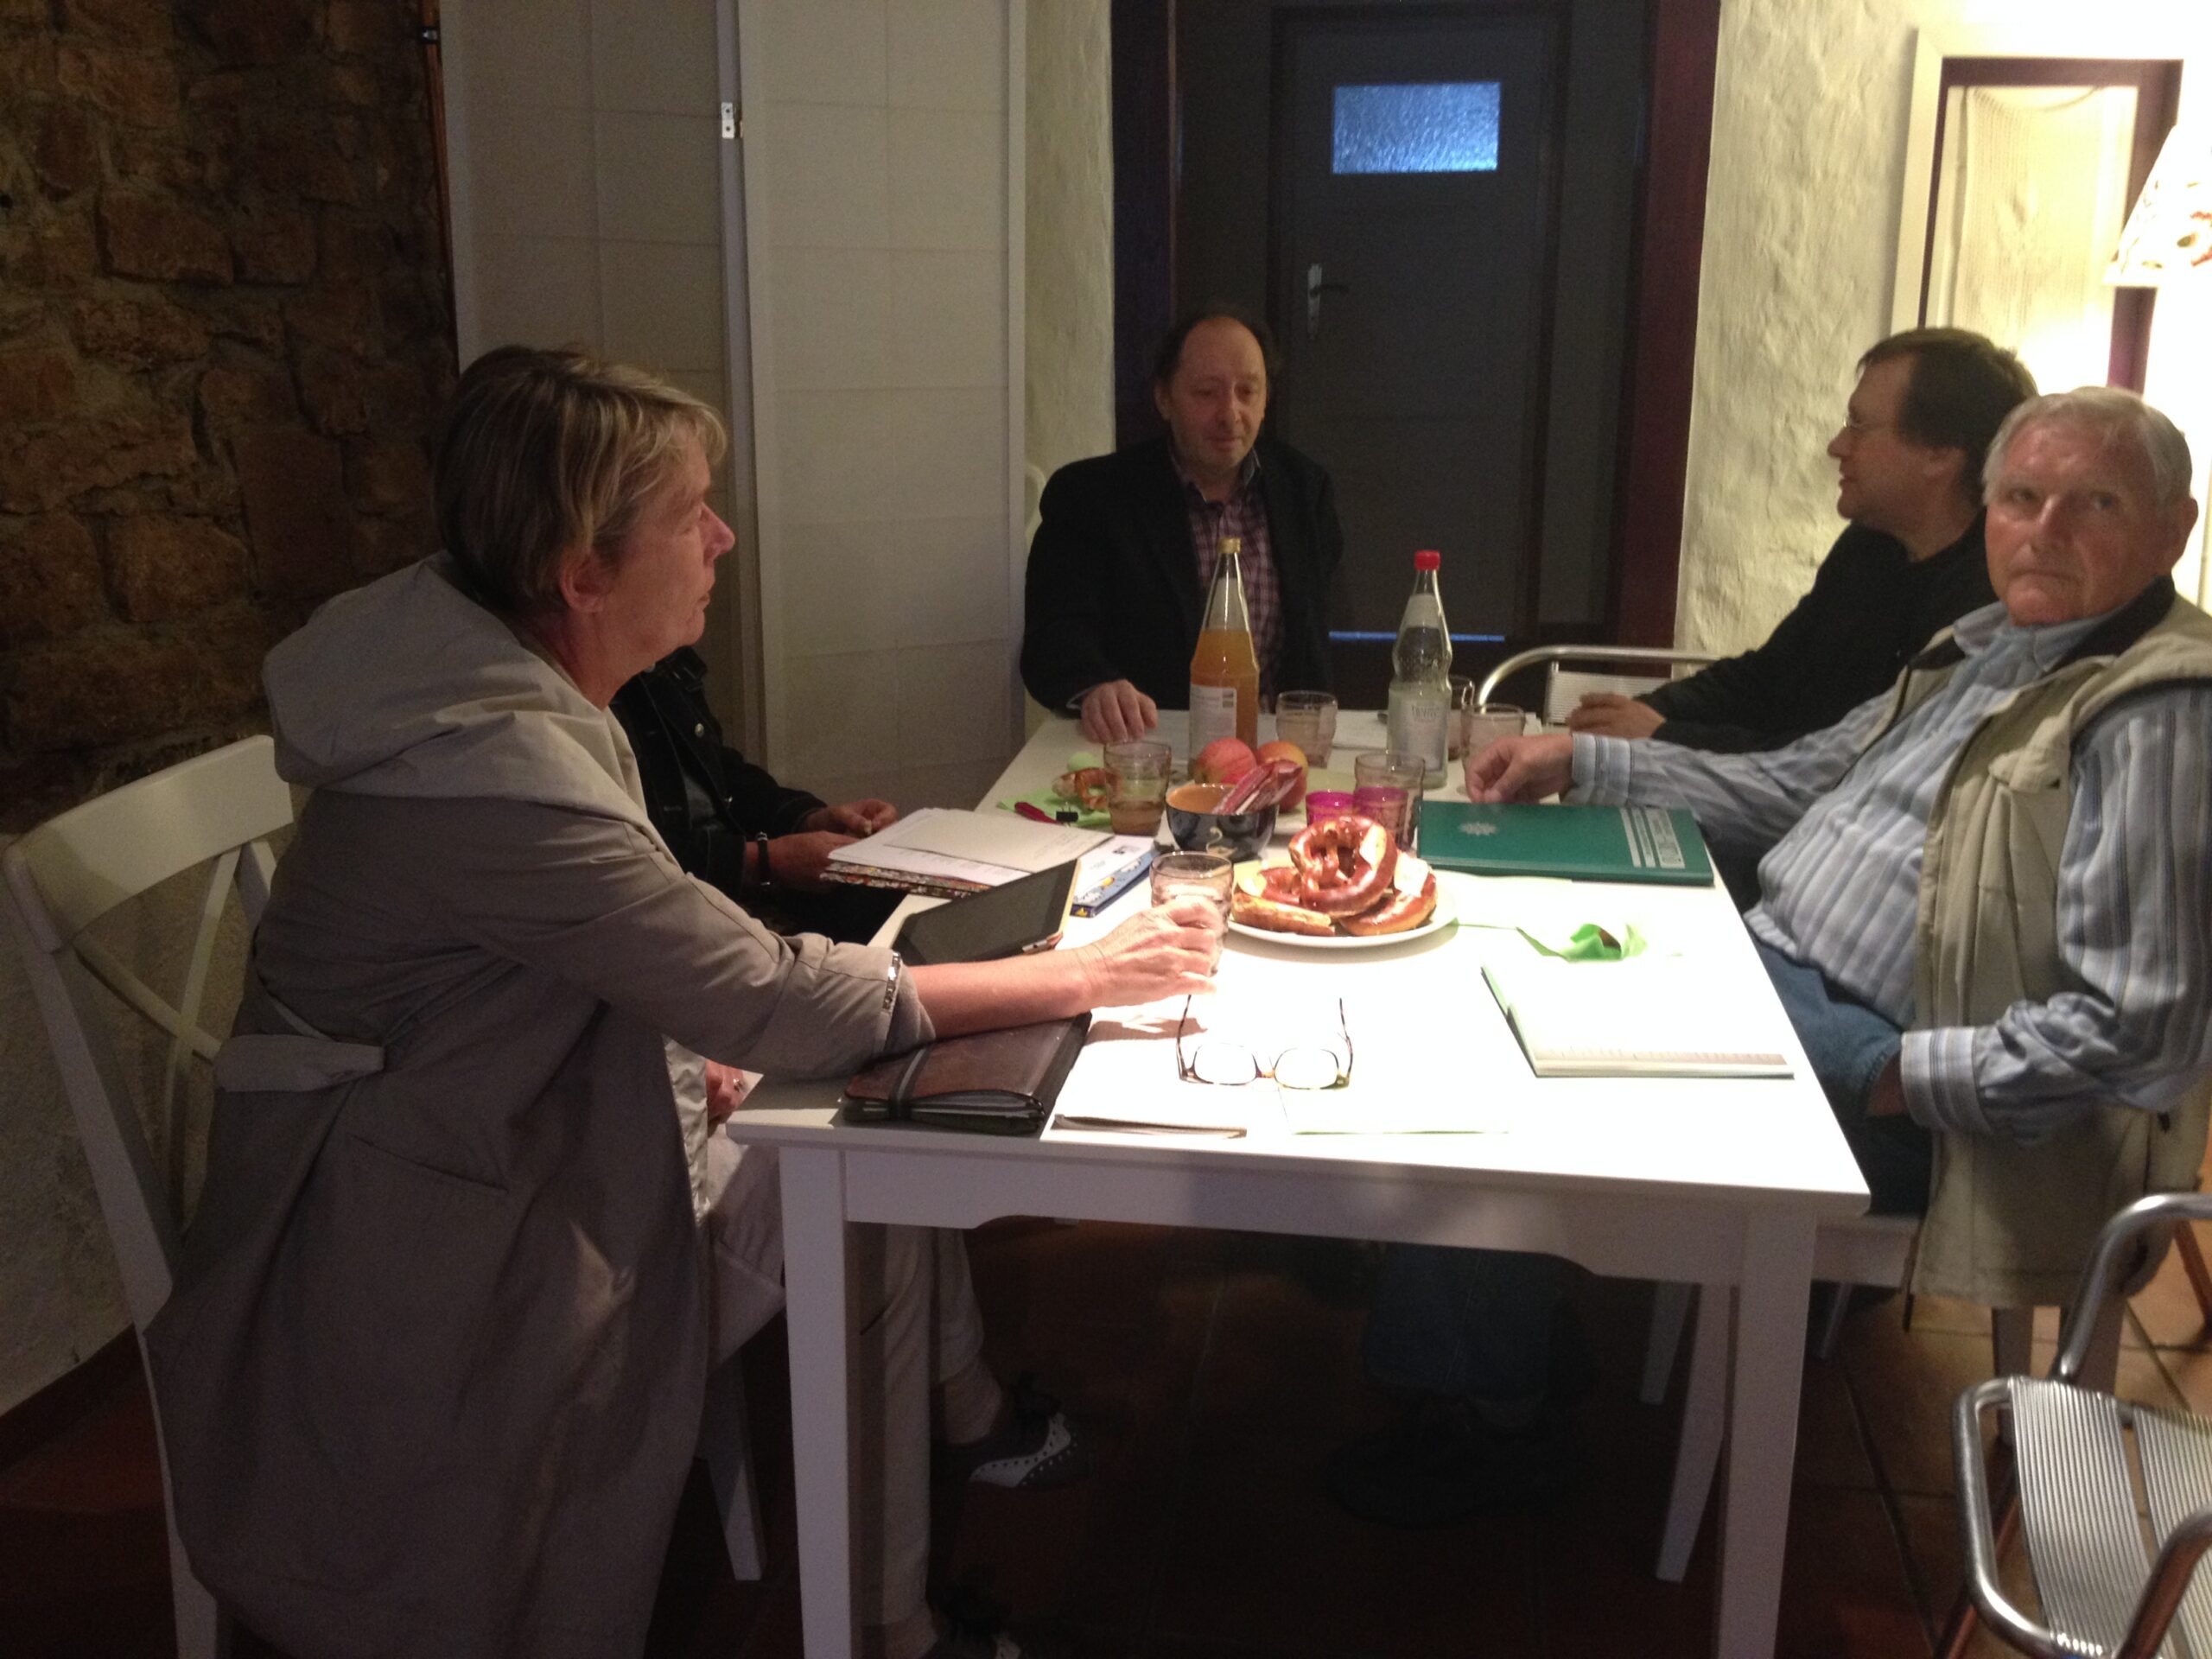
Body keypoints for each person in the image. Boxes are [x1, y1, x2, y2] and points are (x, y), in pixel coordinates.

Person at [144, 346, 1222, 1659]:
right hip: (431, 1233)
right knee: (869, 1157)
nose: (722, 537)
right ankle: (893, 1610)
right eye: (690, 514)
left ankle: (934, 1497)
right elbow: (765, 996)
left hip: (486, 1128)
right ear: (581, 574)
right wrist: (1089, 973)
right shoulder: (490, 772)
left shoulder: (491, 685)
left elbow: (568, 968)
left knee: (876, 1149)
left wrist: (670, 1037)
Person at [1337, 387, 2212, 1529]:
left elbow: (2140, 1031)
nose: (2043, 530)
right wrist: (1583, 763)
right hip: (1763, 978)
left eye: (2093, 504)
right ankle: (1508, 1342)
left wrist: (1901, 1076)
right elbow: (1797, 779)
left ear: (2173, 530)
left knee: (1495, 1099)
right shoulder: (1989, 648)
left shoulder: (2157, 711)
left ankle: (1495, 1422)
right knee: (1469, 995)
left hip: (1893, 1083)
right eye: (2021, 498)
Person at [1569, 327, 2034, 752]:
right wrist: (1644, 713)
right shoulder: (1870, 545)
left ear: (1939, 456)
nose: (1837, 446)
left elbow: (1857, 759)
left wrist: (1663, 735)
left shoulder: (1993, 598)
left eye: (1858, 426)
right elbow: (1768, 676)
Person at [1020, 307, 1344, 742]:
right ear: (1164, 399)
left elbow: (1315, 649)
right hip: (1146, 747)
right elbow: (1052, 640)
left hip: (1276, 751)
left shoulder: (1305, 491)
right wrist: (1096, 686)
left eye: (1248, 392)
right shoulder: (1092, 496)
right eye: (1207, 393)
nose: (1230, 414)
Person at [613, 645, 902, 943]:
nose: (706, 601)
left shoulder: (661, 662)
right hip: (678, 915)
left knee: (880, 883)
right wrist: (765, 861)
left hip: (729, 886)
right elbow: (625, 863)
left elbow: (723, 772)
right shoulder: (595, 702)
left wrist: (809, 819)